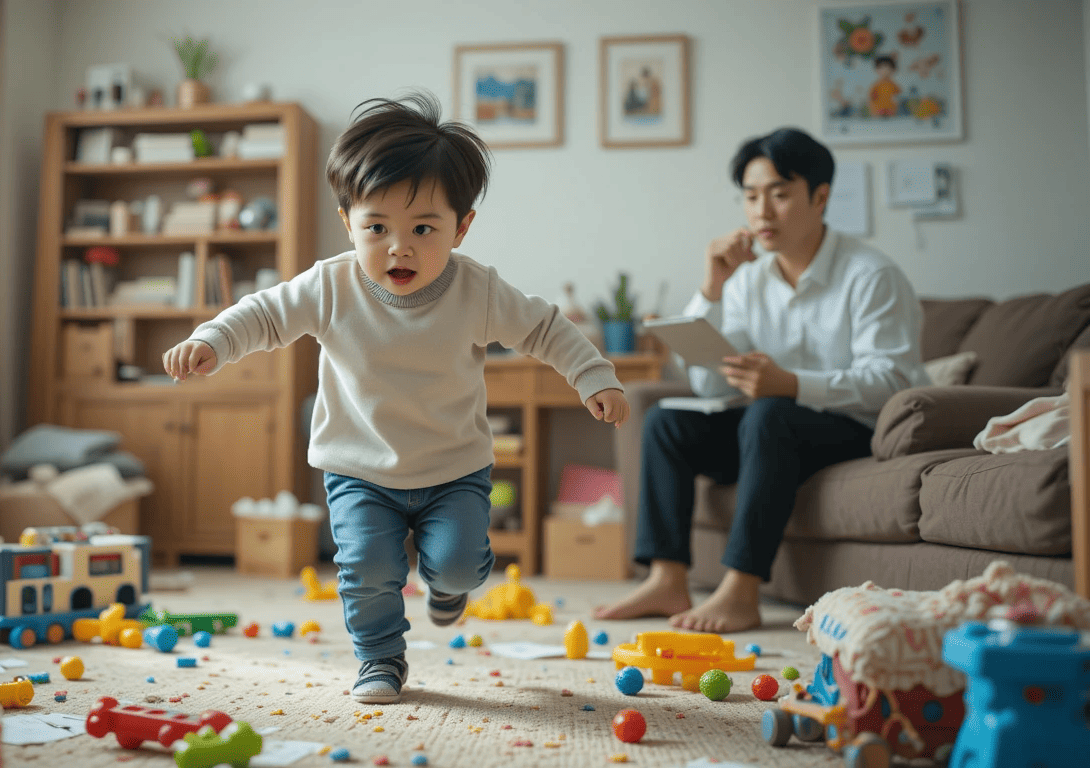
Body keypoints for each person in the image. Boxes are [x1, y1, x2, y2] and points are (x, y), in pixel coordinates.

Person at [163, 91, 630, 703]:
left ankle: (447, 585)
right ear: (347, 221)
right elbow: (264, 314)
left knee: (459, 563)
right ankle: (381, 659)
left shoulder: (478, 291)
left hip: (454, 467)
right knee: (367, 572)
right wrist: (214, 340)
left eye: (423, 229)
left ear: (462, 228)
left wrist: (594, 375)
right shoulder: (330, 285)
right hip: (359, 469)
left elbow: (545, 328)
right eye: (376, 227)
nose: (398, 247)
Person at [593, 127, 927, 633]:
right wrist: (710, 289)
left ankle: (742, 591)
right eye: (750, 197)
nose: (762, 212)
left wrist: (790, 384)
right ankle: (666, 578)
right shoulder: (747, 279)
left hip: (854, 431)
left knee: (770, 414)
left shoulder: (871, 275)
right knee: (667, 422)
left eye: (779, 193)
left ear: (821, 197)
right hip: (771, 433)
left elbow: (892, 381)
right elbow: (711, 388)